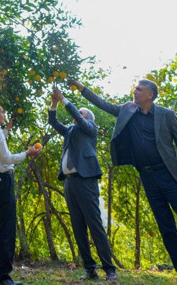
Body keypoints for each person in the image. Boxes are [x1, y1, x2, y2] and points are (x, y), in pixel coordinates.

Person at [70, 78, 177, 285]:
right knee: (168, 231)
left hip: (171, 176)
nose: (134, 91)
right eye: (135, 88)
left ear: (150, 95)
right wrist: (81, 88)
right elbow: (103, 104)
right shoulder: (127, 110)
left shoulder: (166, 115)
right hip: (148, 179)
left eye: (139, 89)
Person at [49, 87, 117, 281]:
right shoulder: (70, 131)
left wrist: (64, 99)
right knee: (78, 226)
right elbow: (53, 122)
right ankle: (90, 269)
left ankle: (109, 269)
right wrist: (54, 103)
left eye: (82, 112)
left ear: (88, 118)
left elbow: (78, 118)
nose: (78, 114)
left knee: (94, 224)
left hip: (86, 180)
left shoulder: (90, 128)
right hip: (69, 183)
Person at [0, 103, 42, 285]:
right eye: (1, 112)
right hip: (4, 181)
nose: (4, 114)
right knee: (6, 229)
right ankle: (4, 277)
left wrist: (6, 130)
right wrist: (28, 153)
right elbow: (6, 158)